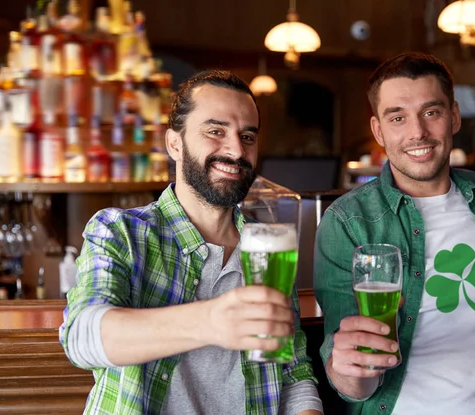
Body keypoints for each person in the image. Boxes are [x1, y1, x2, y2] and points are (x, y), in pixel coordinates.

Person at [60, 70, 323, 415]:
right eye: (215, 131)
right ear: (174, 144)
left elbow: (291, 369)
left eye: (247, 136)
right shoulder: (122, 231)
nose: (235, 150)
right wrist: (210, 322)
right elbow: (82, 338)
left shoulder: (268, 246)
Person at [313, 52, 475, 415]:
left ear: (453, 116)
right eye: (398, 117)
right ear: (378, 130)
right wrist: (351, 369)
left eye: (431, 112)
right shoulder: (347, 222)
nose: (417, 132)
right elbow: (351, 379)